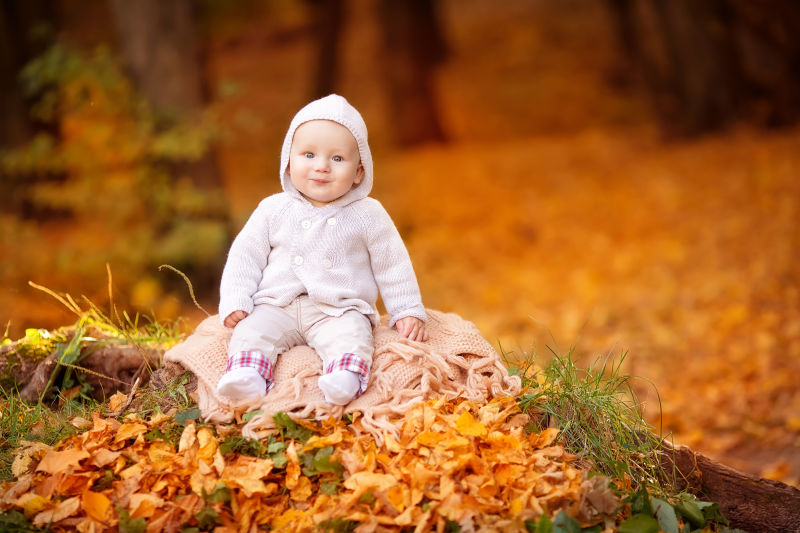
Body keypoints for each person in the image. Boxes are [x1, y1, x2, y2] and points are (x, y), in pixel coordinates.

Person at [216, 94, 428, 406]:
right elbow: (244, 256)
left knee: (353, 335)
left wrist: (407, 309)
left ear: (359, 172)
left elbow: (392, 264)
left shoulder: (368, 213)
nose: (321, 167)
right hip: (276, 304)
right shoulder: (273, 209)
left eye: (337, 159)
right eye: (309, 155)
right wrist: (236, 298)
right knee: (251, 332)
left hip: (338, 308)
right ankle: (247, 373)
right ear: (289, 159)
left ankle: (345, 376)